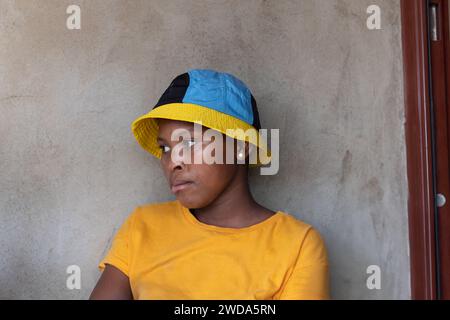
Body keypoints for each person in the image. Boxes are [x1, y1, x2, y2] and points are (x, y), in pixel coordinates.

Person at [89, 69, 329, 300]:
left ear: (241, 146)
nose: (174, 162)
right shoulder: (143, 226)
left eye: (190, 143)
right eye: (165, 148)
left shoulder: (296, 245)